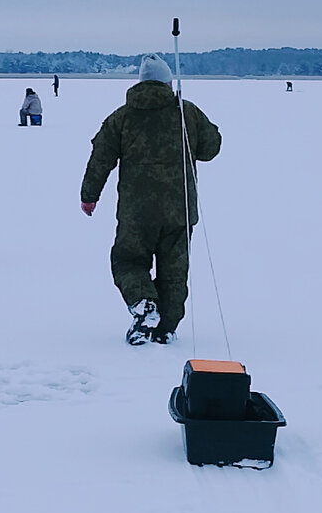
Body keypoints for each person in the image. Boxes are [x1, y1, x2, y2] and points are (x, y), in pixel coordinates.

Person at [80, 53, 221, 345]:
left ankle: (143, 304)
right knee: (174, 271)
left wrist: (89, 195)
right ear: (167, 82)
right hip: (179, 210)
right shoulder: (186, 113)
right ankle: (165, 328)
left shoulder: (122, 117)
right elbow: (211, 148)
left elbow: (100, 158)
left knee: (127, 260)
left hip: (136, 211)